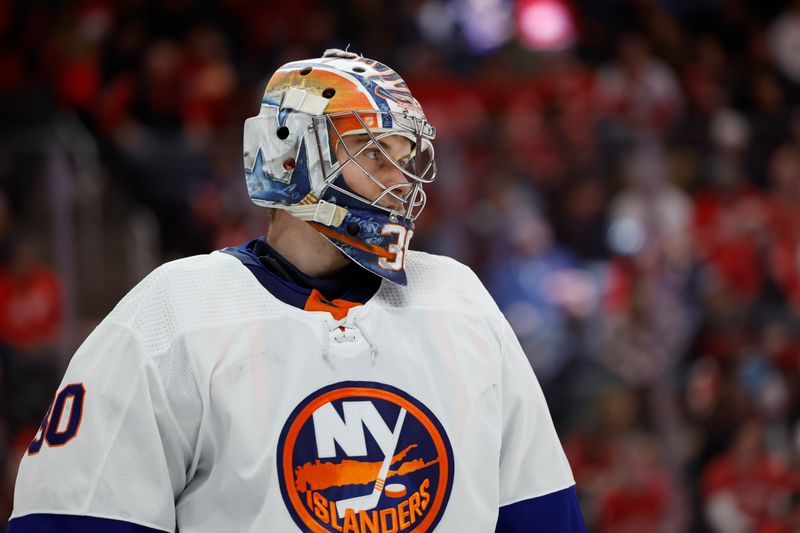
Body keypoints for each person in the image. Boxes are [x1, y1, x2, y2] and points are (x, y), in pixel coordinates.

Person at [7, 49, 585, 532]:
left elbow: (540, 513)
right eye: (375, 154)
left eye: (406, 159)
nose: (401, 182)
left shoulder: (458, 299)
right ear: (290, 154)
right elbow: (76, 518)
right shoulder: (173, 314)